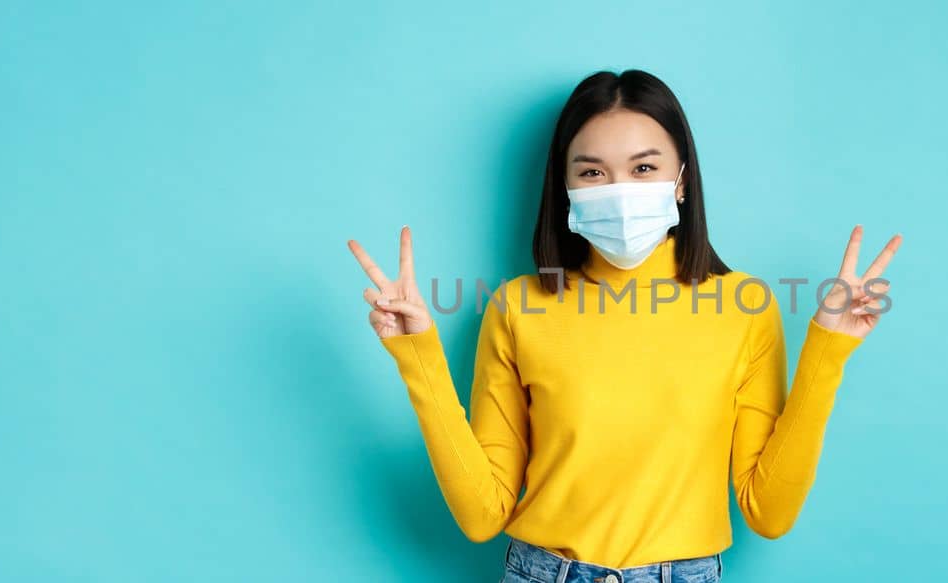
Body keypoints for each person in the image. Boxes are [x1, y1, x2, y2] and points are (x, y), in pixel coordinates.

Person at [347, 69, 900, 583]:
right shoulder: (519, 306)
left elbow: (768, 511)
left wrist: (829, 350)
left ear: (681, 179)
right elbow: (481, 515)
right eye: (592, 171)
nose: (619, 189)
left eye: (643, 168)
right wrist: (415, 352)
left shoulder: (744, 305)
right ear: (564, 186)